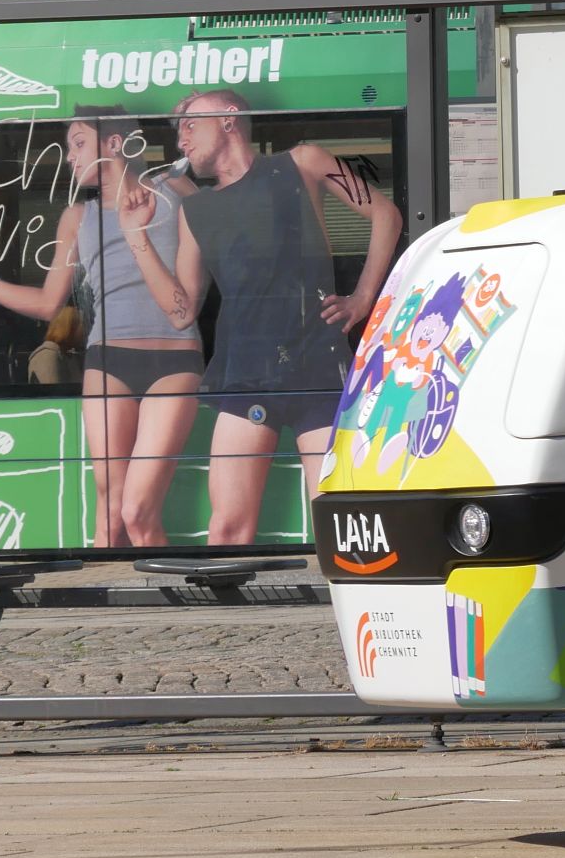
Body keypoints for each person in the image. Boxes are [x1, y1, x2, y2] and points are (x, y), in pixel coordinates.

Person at [125, 89, 401, 546]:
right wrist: (137, 235)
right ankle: (223, 618)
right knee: (228, 527)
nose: (182, 141)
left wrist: (362, 299)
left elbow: (385, 214)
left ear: (230, 119)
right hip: (246, 373)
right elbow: (181, 311)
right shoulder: (197, 210)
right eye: (179, 132)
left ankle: (342, 616)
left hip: (318, 367)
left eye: (190, 125)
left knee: (336, 524)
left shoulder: (303, 161)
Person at [0, 107, 205, 546]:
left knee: (139, 510)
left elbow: (227, 226)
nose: (69, 157)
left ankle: (158, 601)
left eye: (78, 144)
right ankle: (114, 605)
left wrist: (188, 114)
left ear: (115, 143)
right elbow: (47, 304)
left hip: (175, 359)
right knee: (110, 510)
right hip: (108, 361)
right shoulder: (78, 218)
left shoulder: (175, 188)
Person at [27, 304, 84, 386]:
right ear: (69, 329)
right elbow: (54, 395)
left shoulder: (68, 354)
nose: (82, 332)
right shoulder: (48, 356)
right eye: (80, 327)